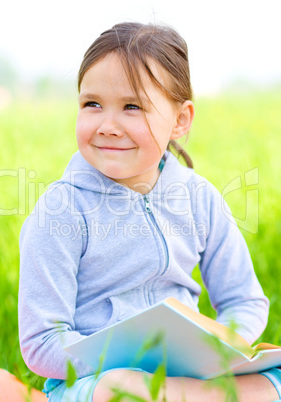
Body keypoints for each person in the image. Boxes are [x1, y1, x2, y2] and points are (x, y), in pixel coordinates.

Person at [18, 22, 281, 401]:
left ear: (180, 120)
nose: (107, 126)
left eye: (132, 107)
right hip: (97, 380)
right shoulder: (61, 210)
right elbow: (42, 343)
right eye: (92, 104)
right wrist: (123, 357)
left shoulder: (199, 199)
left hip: (192, 374)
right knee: (120, 390)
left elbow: (245, 301)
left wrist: (222, 350)